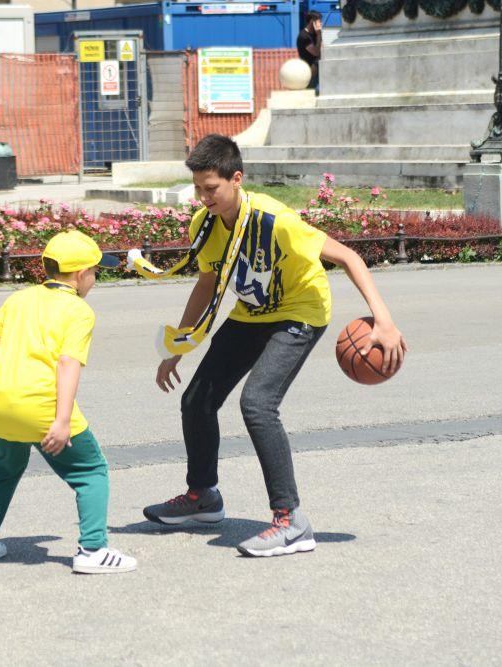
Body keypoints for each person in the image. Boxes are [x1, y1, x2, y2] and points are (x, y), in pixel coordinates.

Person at [129, 134, 407, 557]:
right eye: (199, 189)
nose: (205, 198)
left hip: (300, 311)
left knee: (257, 403)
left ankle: (290, 521)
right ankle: (203, 497)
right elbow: (206, 284)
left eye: (212, 189)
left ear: (236, 179)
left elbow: (348, 257)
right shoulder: (204, 225)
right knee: (197, 400)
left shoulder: (276, 220)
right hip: (252, 313)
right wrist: (179, 346)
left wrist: (384, 320)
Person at [0, 230, 137, 574]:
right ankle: (93, 550)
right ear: (81, 274)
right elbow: (68, 364)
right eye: (95, 272)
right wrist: (62, 419)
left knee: (6, 466)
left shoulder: (18, 299)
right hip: (40, 404)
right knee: (90, 471)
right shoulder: (79, 311)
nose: (94, 279)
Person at [296, 11, 323, 93]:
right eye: (319, 21)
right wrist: (319, 35)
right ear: (312, 21)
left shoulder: (314, 34)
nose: (320, 24)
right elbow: (316, 53)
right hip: (310, 71)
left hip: (318, 69)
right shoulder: (304, 36)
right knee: (312, 92)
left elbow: (322, 49)